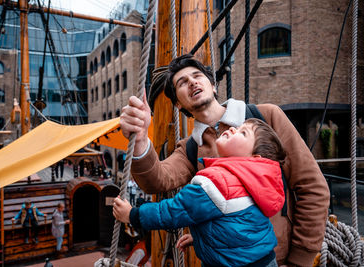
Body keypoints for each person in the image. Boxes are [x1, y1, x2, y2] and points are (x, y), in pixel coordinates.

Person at [119, 54, 330, 266]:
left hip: (279, 258)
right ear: (178, 105)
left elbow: (312, 187)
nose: (192, 82)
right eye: (182, 82)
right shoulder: (191, 149)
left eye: (197, 76)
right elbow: (156, 181)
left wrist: (301, 258)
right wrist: (140, 139)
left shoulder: (266, 117)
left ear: (213, 85)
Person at [114, 118, 286, 266]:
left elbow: (174, 211)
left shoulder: (217, 181)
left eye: (243, 133)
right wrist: (202, 237)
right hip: (263, 260)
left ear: (254, 159)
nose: (233, 128)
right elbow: (239, 225)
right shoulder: (252, 184)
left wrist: (133, 215)